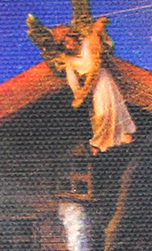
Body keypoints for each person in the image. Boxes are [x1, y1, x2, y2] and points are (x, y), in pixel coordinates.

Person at [57, 19, 136, 154]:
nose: (67, 46)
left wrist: (98, 27)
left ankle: (112, 138)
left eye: (67, 41)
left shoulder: (88, 43)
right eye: (64, 45)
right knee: (101, 113)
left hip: (103, 79)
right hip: (92, 85)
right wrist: (79, 93)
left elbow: (98, 38)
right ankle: (105, 140)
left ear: (73, 38)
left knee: (111, 109)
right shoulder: (70, 60)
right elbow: (72, 79)